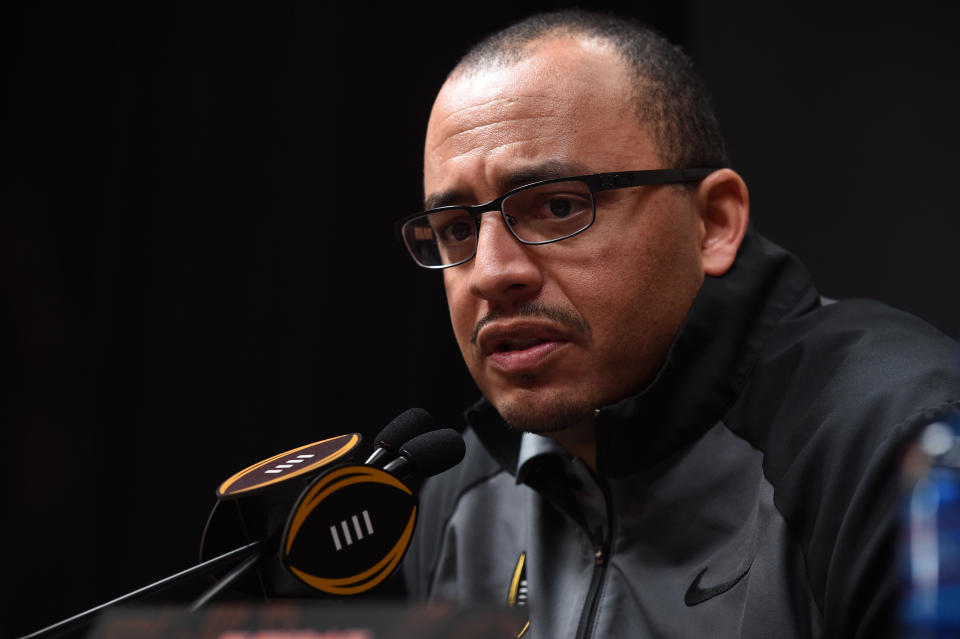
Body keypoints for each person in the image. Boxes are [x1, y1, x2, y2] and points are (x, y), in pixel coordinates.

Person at [393, 10, 960, 639]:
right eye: (457, 230)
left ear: (713, 223)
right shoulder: (459, 492)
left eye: (559, 206)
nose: (491, 274)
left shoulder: (896, 447)